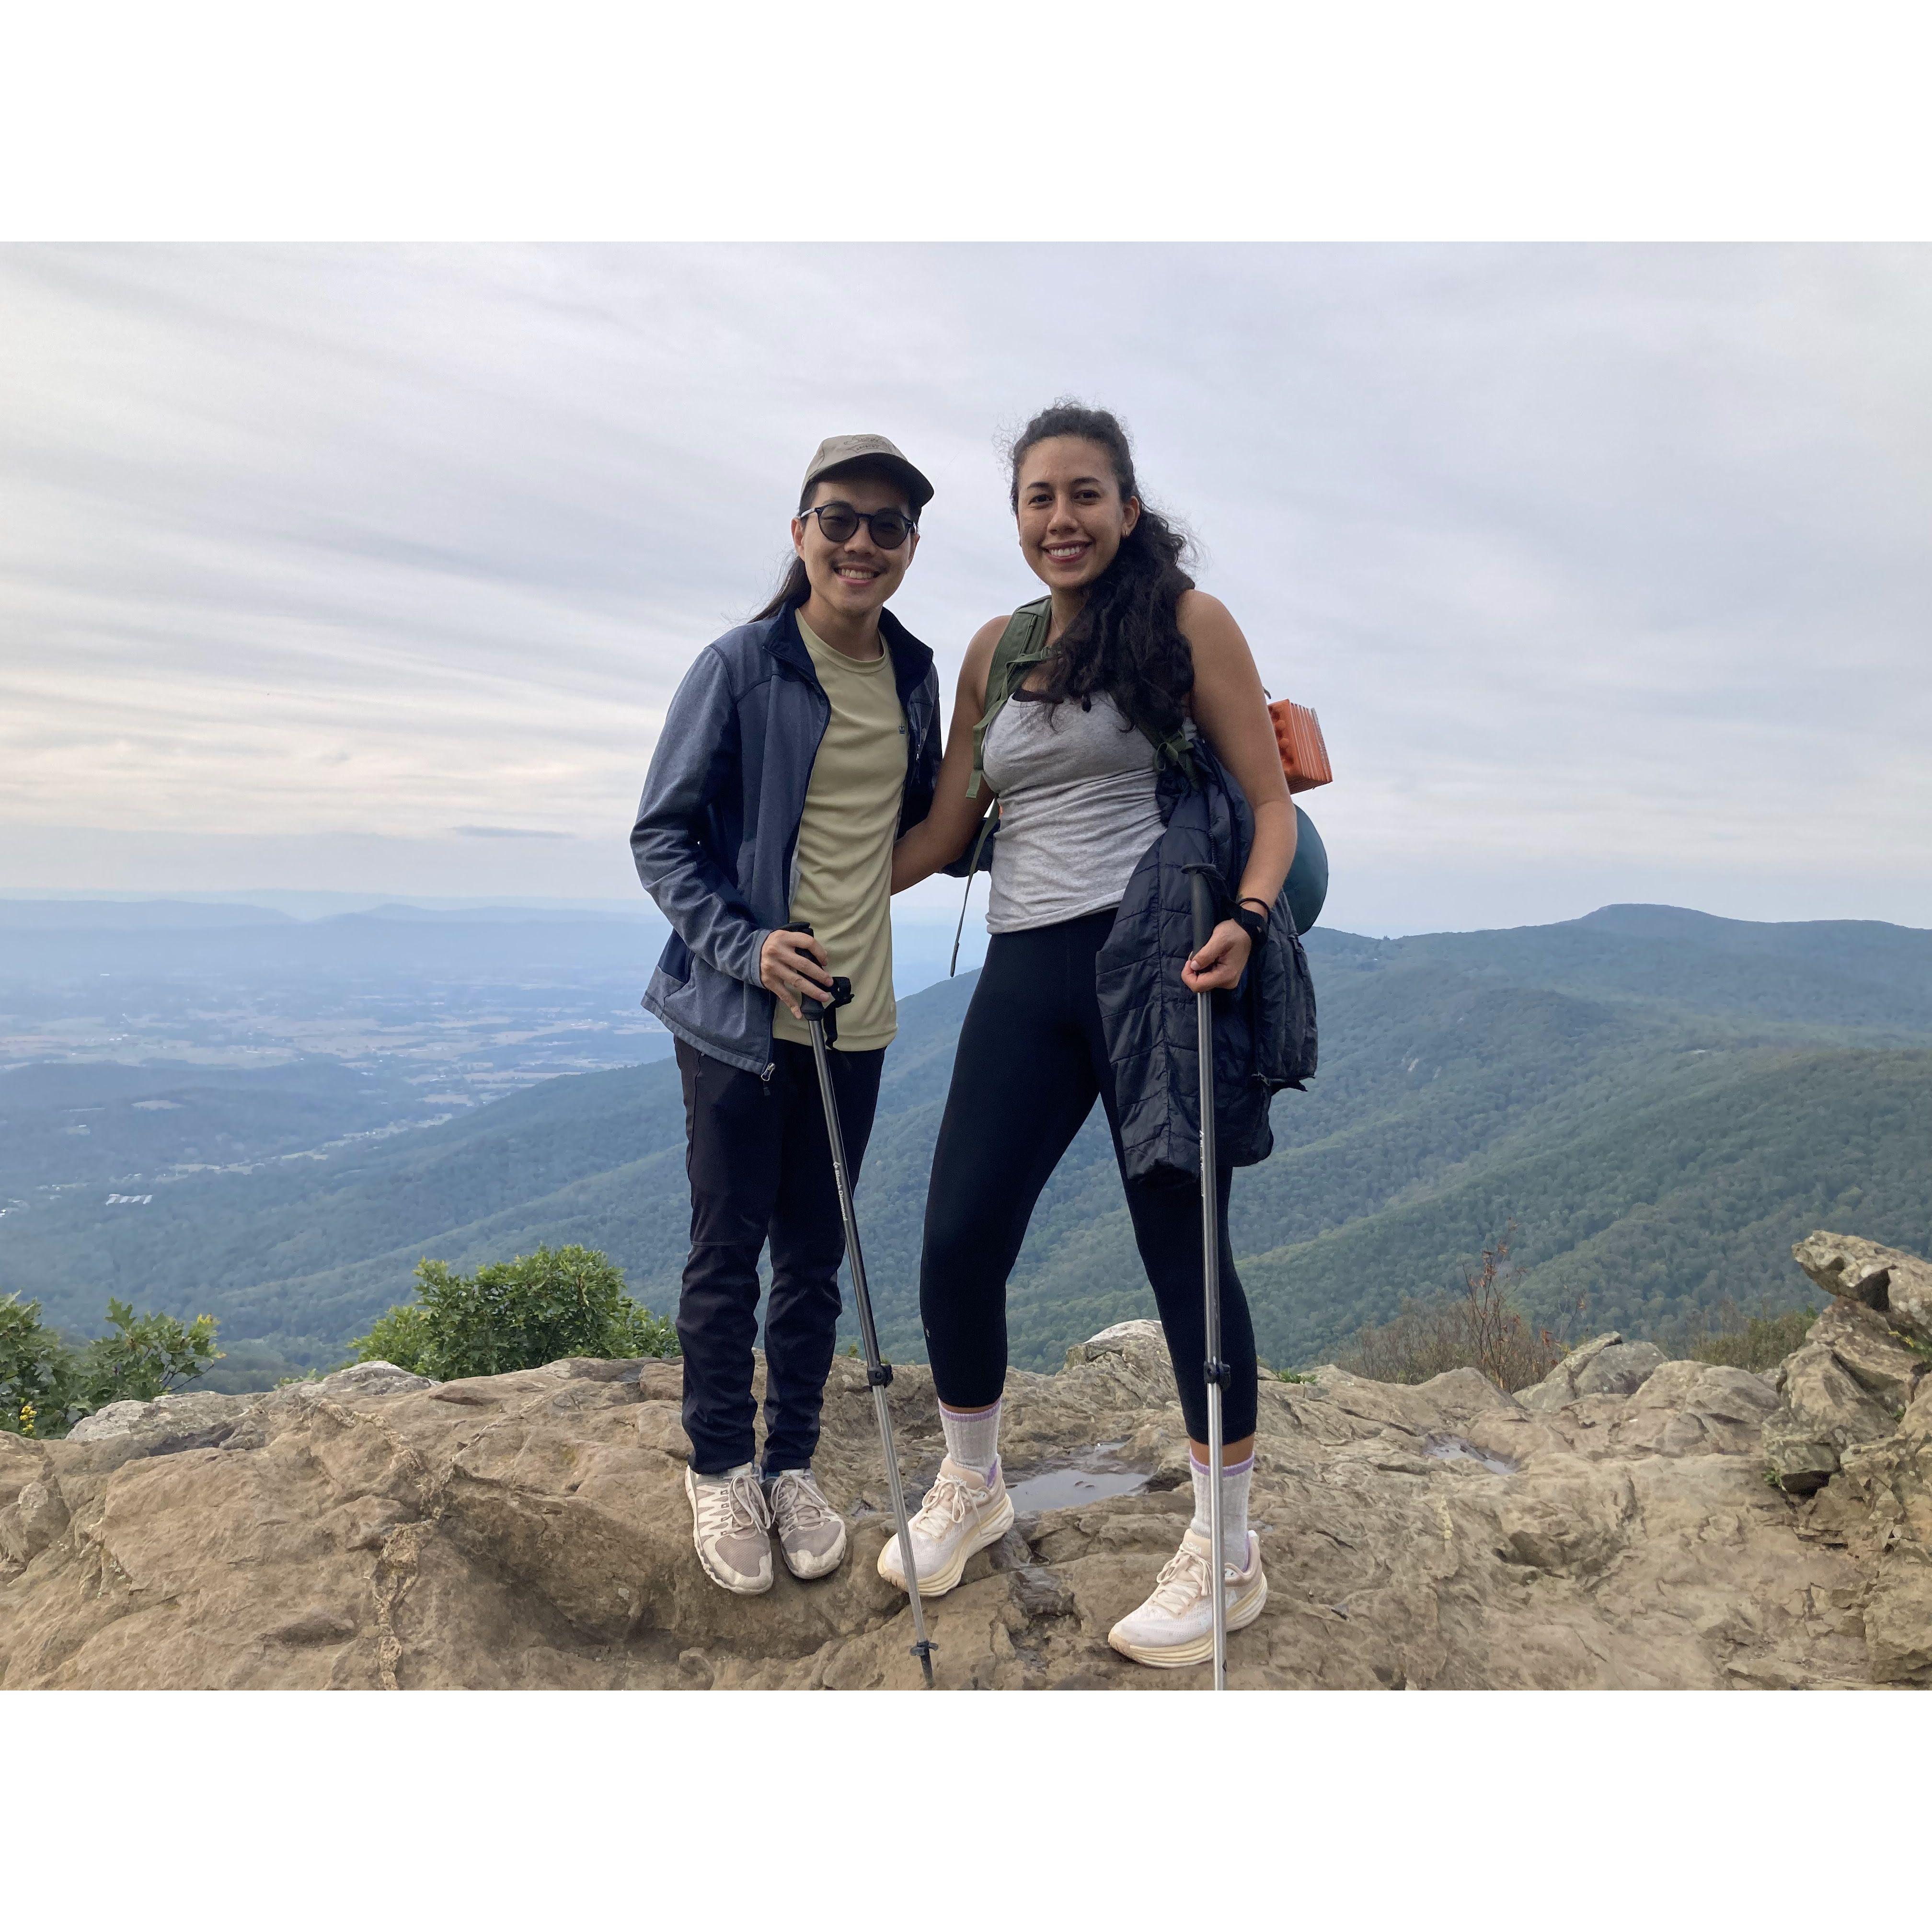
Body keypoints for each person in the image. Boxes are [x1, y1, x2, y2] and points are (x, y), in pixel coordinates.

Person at [886, 401, 1296, 1666]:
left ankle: (1228, 1552)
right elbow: (952, 836)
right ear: (1015, 516)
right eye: (1037, 499)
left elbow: (1268, 806)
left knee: (1184, 1252)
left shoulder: (1185, 625)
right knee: (959, 1237)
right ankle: (973, 1481)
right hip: (1025, 967)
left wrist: (1246, 916)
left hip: (1159, 963)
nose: (1060, 520)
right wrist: (821, 890)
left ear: (1126, 505)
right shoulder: (993, 654)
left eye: (1084, 494)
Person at [631, 434, 941, 1596]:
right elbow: (660, 834)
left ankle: (790, 1464)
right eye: (840, 519)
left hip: (856, 1018)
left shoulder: (911, 675)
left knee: (818, 1252)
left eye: (887, 526)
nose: (862, 542)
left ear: (910, 548)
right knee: (728, 1247)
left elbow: (915, 831)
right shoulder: (741, 666)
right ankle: (718, 1466)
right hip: (738, 1017)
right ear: (800, 530)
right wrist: (749, 949)